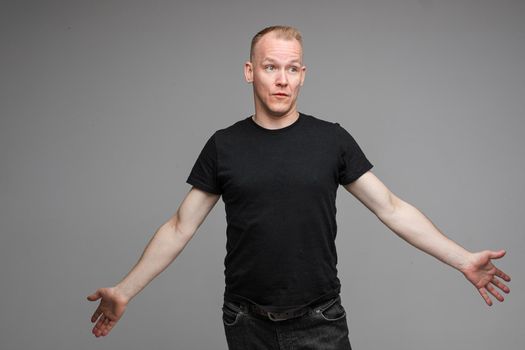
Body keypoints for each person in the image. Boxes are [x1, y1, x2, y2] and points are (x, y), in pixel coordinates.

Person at [87, 25, 511, 349]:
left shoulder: (332, 140)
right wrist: (124, 290)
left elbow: (391, 208)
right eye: (271, 67)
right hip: (245, 321)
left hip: (319, 320)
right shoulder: (224, 145)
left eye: (292, 68)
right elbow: (180, 226)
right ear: (250, 71)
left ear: (303, 75)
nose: (282, 79)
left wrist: (463, 260)